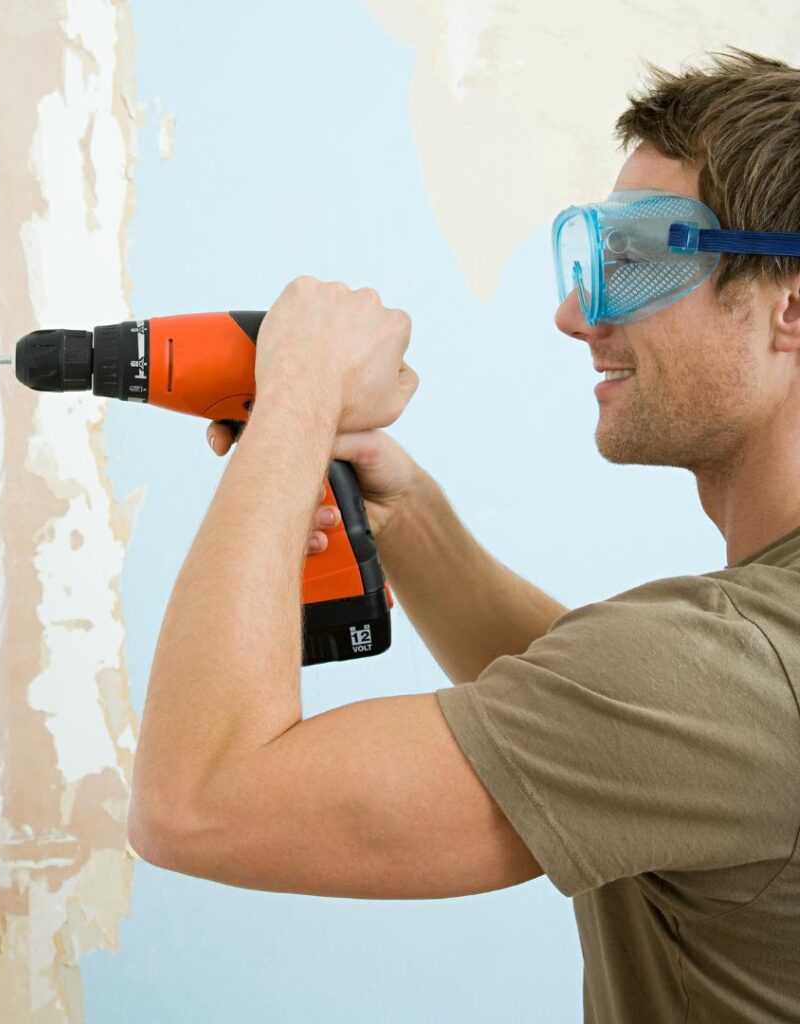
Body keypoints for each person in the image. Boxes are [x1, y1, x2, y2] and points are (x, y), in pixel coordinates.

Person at [128, 49, 800, 1023]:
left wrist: (298, 393)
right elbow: (614, 726)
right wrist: (411, 521)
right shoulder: (739, 673)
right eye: (591, 260)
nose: (575, 315)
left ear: (790, 304)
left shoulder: (738, 673)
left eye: (643, 260)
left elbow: (194, 802)